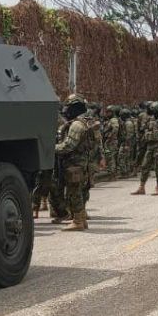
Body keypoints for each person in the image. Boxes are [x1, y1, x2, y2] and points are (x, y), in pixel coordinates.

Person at [54, 95, 95, 230]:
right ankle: (82, 219)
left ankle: (78, 221)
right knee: (77, 190)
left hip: (75, 164)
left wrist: (53, 149)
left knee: (74, 192)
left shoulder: (77, 125)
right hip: (79, 163)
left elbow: (69, 146)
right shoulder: (83, 122)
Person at [133, 103, 158, 196]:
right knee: (144, 166)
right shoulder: (151, 119)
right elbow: (146, 131)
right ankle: (141, 187)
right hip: (150, 146)